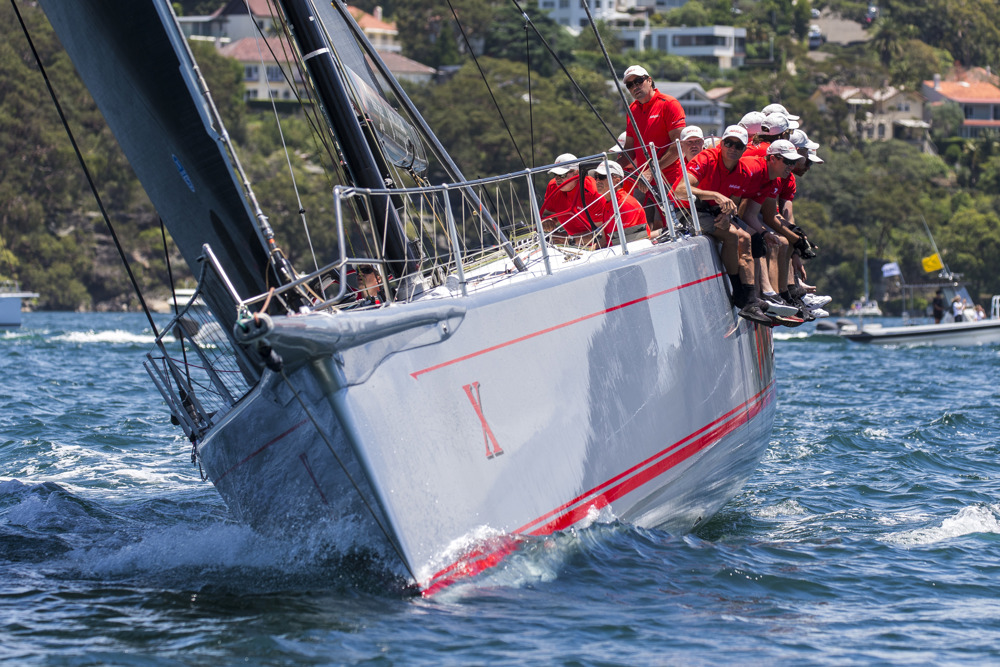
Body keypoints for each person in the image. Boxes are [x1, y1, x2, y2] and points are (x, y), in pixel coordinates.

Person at [619, 65, 686, 210]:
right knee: (636, 225)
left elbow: (678, 146)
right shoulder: (632, 109)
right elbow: (629, 149)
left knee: (667, 226)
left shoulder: (669, 104)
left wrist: (651, 171)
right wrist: (611, 170)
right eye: (630, 85)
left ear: (649, 80)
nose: (635, 87)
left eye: (638, 81)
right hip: (644, 181)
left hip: (669, 180)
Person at [540, 153, 601, 238]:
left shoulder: (592, 191)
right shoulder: (553, 186)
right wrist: (548, 221)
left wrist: (568, 241)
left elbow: (601, 234)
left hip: (598, 246)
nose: (557, 178)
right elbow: (548, 214)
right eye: (555, 174)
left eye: (562, 174)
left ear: (576, 172)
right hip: (572, 244)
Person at [588, 160, 648, 246]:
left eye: (601, 176)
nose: (597, 181)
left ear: (617, 181)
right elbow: (605, 241)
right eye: (595, 177)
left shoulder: (625, 203)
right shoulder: (608, 204)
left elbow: (630, 244)